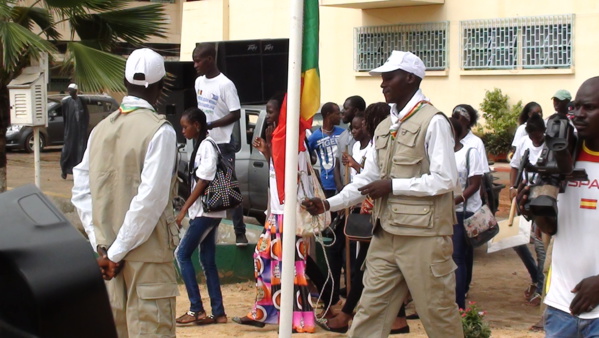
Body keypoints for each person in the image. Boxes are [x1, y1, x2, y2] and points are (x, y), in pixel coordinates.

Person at [302, 50, 463, 337]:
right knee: (369, 312)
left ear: (411, 78)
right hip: (386, 233)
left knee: (438, 315)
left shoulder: (433, 121)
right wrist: (329, 203)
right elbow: (367, 179)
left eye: (389, 77)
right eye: (382, 78)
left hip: (423, 237)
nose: (382, 84)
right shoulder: (385, 127)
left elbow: (445, 179)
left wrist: (392, 186)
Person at [71, 48, 179, 337]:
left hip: (107, 261)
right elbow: (151, 201)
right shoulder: (161, 131)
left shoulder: (100, 131)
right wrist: (116, 253)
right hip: (146, 261)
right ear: (160, 87)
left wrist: (103, 247)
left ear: (124, 81)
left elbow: (81, 192)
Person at [517, 76, 599, 337]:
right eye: (576, 107)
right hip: (562, 308)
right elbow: (552, 227)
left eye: (590, 108)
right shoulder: (561, 154)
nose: (579, 115)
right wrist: (533, 209)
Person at [319, 103, 409, 334]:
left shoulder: (390, 145)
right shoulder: (378, 147)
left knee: (366, 267)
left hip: (396, 219)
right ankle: (393, 319)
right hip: (377, 216)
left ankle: (348, 315)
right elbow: (361, 183)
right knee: (369, 267)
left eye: (366, 123)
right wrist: (330, 204)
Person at [232, 93, 316, 333]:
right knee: (263, 258)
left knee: (293, 266)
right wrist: (267, 152)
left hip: (290, 214)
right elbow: (277, 174)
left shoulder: (296, 141)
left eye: (270, 111)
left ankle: (299, 318)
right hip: (276, 213)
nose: (267, 116)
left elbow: (297, 177)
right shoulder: (278, 139)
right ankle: (265, 311)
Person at [174, 108, 227, 326]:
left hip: (205, 211)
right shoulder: (202, 145)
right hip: (210, 211)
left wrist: (185, 208)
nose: (183, 130)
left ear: (197, 125)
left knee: (182, 254)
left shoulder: (206, 146)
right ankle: (219, 313)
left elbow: (204, 179)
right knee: (207, 260)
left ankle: (196, 309)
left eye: (185, 126)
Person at [193, 42, 248, 246]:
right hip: (203, 143)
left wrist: (212, 124)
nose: (195, 65)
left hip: (223, 143)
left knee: (228, 186)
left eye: (198, 61)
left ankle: (239, 232)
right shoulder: (198, 82)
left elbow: (236, 113)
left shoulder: (225, 84)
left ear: (209, 60)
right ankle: (202, 225)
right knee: (201, 182)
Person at [451, 104, 489, 297]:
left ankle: (462, 290)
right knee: (456, 254)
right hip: (451, 208)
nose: (455, 119)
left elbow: (477, 180)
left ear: (466, 121)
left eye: (458, 117)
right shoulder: (448, 147)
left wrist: (459, 199)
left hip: (467, 207)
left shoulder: (475, 145)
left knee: (464, 253)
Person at [510, 113, 548, 307]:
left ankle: (542, 290)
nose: (535, 140)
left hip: (543, 198)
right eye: (532, 136)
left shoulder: (549, 144)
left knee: (541, 247)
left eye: (538, 136)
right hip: (525, 196)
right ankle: (536, 277)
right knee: (517, 240)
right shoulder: (525, 143)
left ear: (543, 131)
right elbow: (515, 165)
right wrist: (512, 188)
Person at [307, 102, 344, 197]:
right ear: (328, 114)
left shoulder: (343, 133)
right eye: (337, 113)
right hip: (327, 184)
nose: (340, 116)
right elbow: (307, 156)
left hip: (344, 180)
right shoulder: (315, 137)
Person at [334, 95, 366, 191]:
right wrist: (339, 186)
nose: (342, 111)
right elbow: (337, 163)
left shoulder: (367, 137)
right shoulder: (342, 136)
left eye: (346, 108)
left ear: (355, 111)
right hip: (344, 192)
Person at [60, 83, 89, 180]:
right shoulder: (66, 102)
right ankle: (64, 170)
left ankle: (77, 172)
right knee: (68, 151)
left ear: (75, 91)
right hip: (70, 131)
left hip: (80, 131)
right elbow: (65, 117)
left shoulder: (81, 101)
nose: (69, 92)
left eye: (71, 90)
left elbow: (86, 115)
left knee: (80, 152)